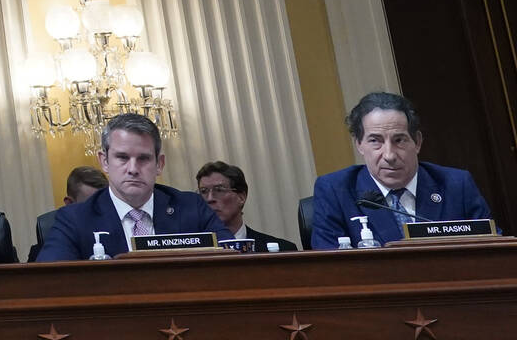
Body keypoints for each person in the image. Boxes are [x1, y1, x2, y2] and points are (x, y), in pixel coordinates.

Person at [311, 91, 493, 249]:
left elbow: (492, 252)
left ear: (418, 142)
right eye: (375, 141)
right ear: (359, 144)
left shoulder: (456, 185)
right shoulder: (335, 190)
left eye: (399, 140)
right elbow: (330, 269)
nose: (389, 155)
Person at [34, 115, 226, 261]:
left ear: (159, 164)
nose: (133, 169)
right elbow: (50, 282)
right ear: (105, 162)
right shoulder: (75, 219)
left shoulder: (191, 208)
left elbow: (233, 261)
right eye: (122, 158)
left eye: (143, 158)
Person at [195, 161, 296, 252]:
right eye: (203, 191)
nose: (209, 199)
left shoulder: (284, 250)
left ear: (241, 197)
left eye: (219, 190)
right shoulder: (190, 252)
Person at [29, 166, 105, 261]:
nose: (100, 211)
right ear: (69, 204)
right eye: (90, 206)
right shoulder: (53, 249)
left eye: (104, 204)